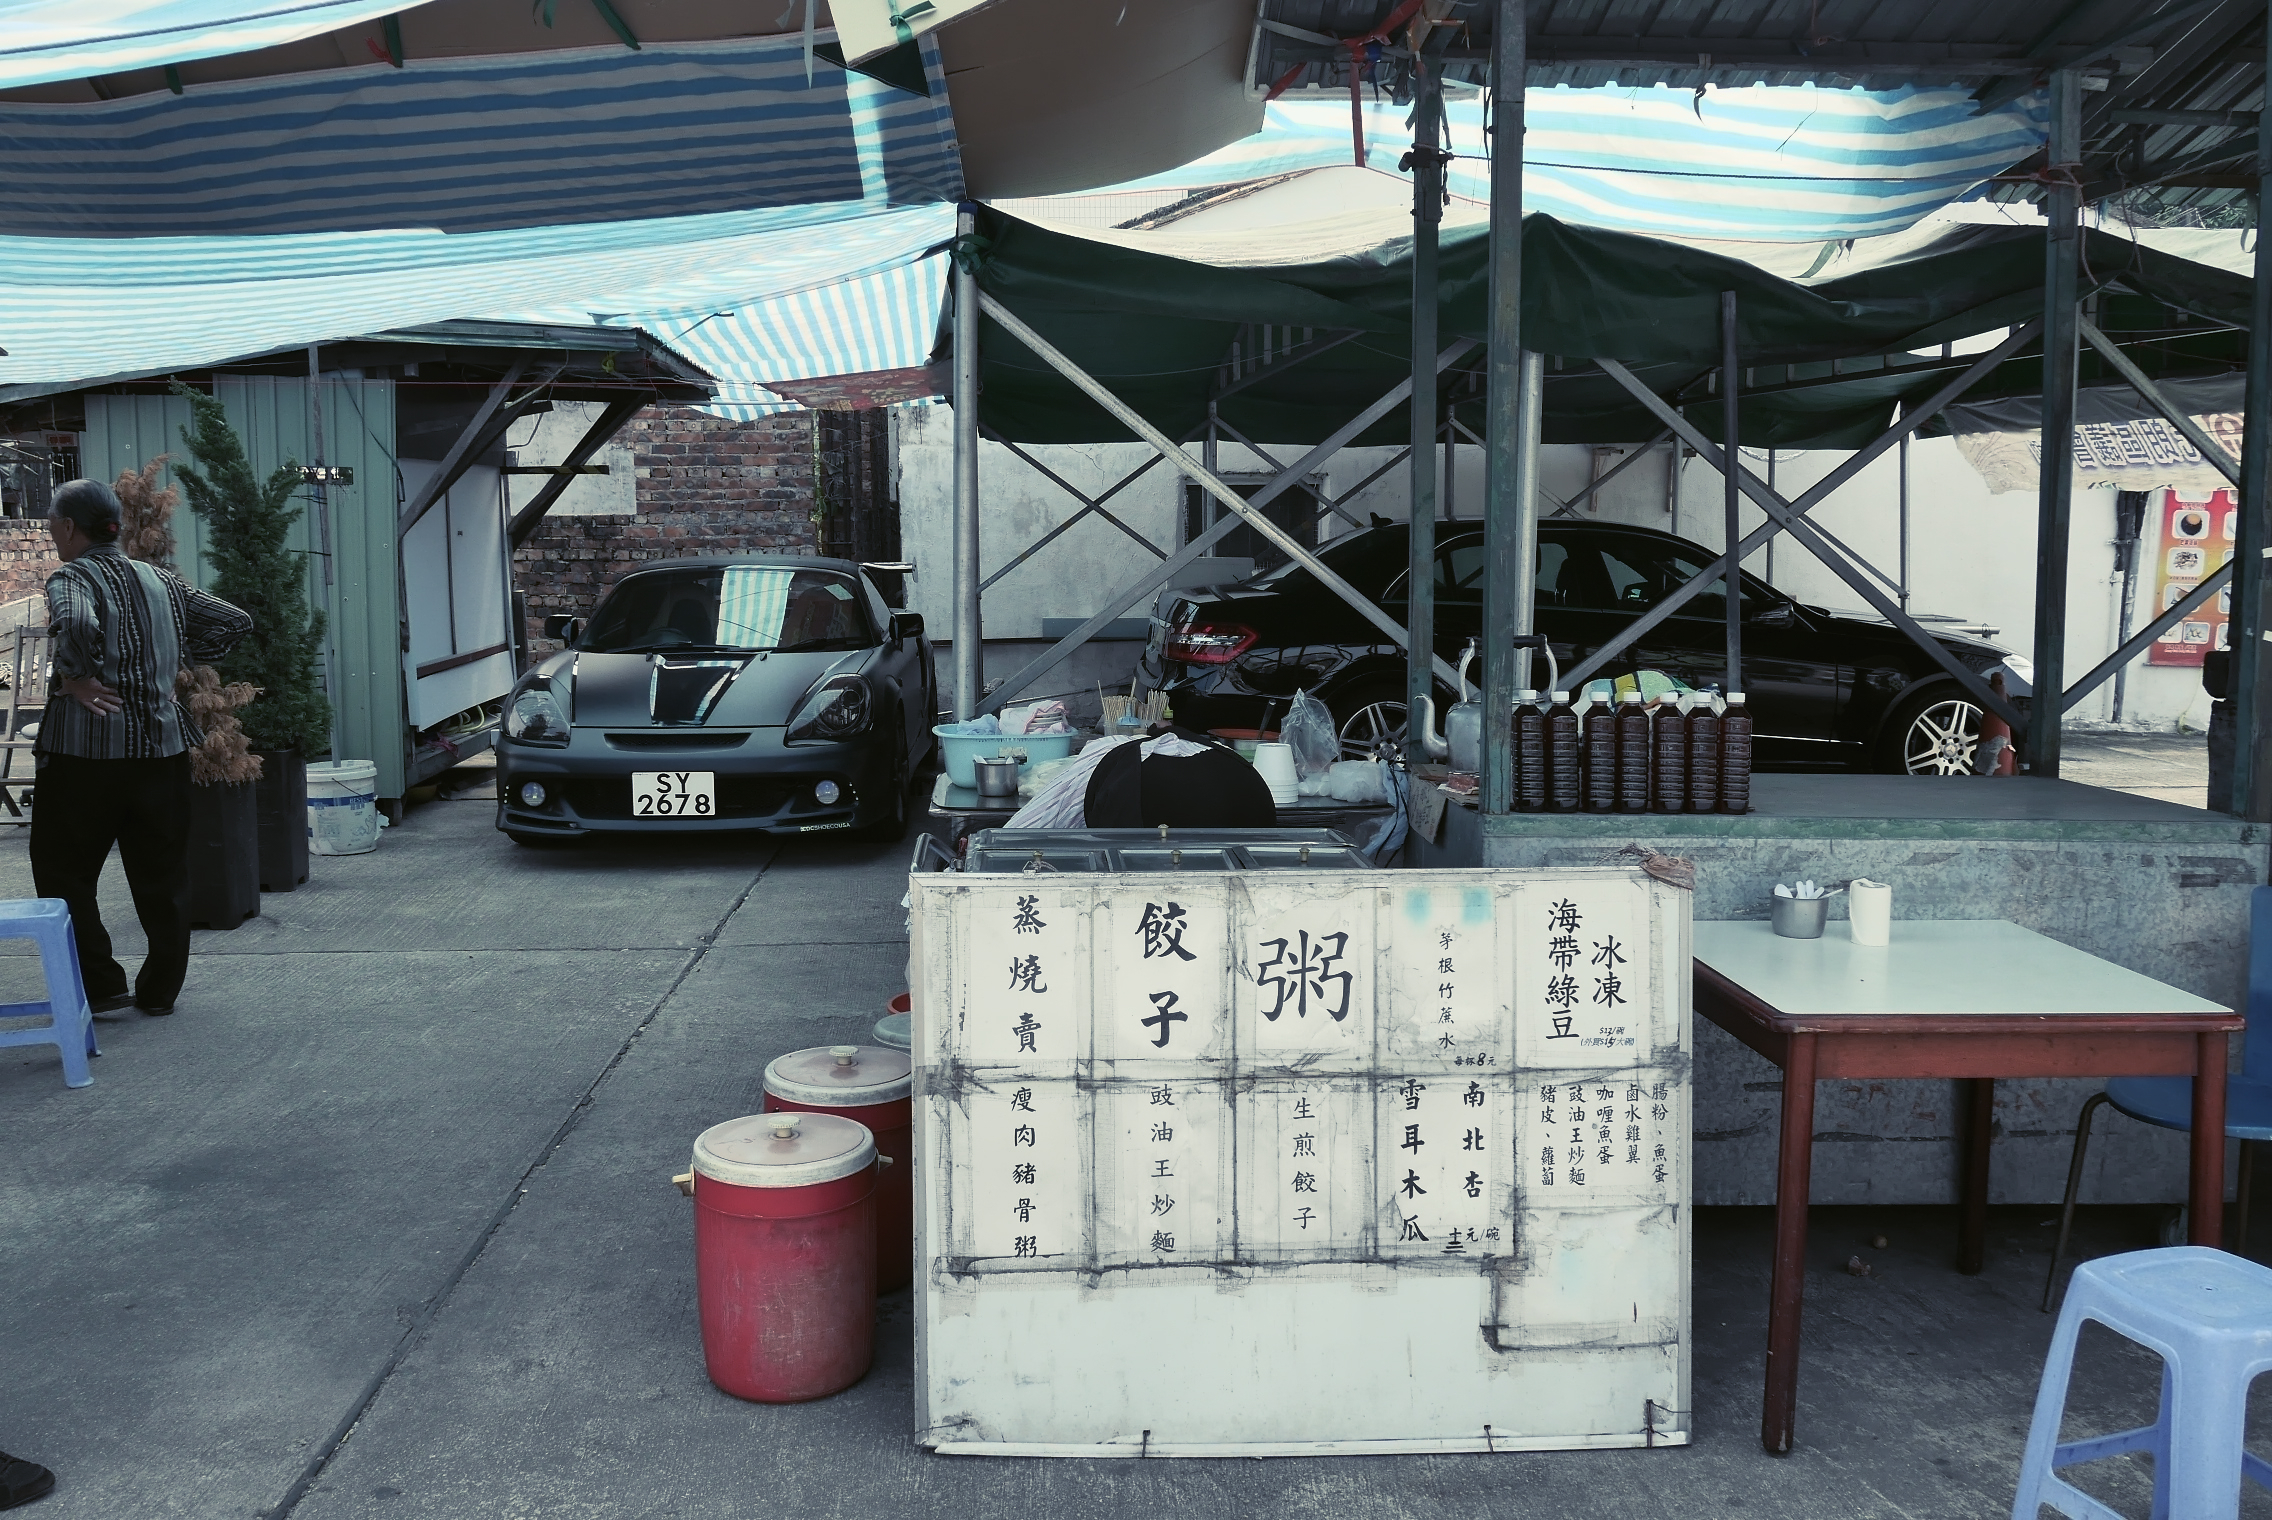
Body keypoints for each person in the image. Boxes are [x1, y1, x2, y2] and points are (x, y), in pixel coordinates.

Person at [32, 480, 253, 1017]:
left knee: (64, 873)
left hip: (84, 758)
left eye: (52, 524)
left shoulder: (72, 576)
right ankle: (159, 993)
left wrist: (76, 678)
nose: (51, 533)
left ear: (69, 527)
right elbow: (234, 621)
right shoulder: (161, 580)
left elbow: (75, 621)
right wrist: (174, 660)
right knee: (163, 876)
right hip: (161, 752)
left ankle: (102, 984)